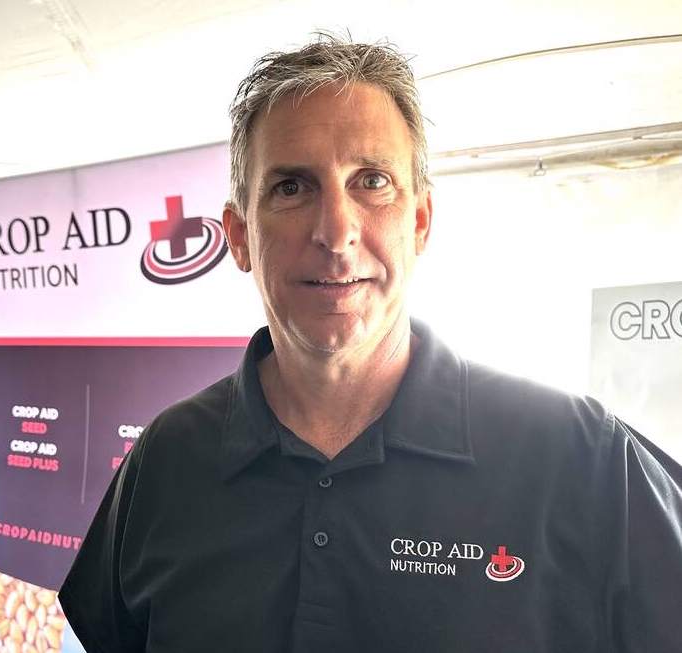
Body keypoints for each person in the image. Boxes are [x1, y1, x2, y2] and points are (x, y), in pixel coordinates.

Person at [58, 33, 682, 652]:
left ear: (419, 222)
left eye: (372, 181)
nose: (336, 232)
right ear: (240, 235)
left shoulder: (576, 454)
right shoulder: (166, 460)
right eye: (292, 187)